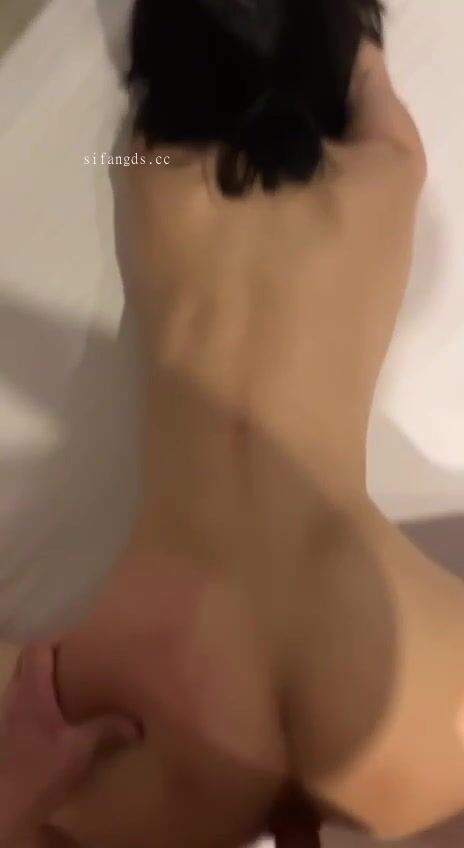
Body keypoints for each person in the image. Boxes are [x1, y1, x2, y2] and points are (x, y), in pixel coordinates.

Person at [5, 1, 461, 846]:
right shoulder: (392, 166)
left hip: (160, 677)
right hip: (389, 649)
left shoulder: (148, 168)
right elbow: (365, 64)